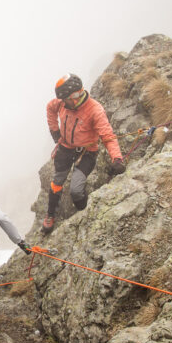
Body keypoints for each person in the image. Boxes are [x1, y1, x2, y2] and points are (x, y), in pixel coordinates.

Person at [42, 73, 126, 233]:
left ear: (74, 97)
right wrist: (55, 131)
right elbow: (50, 107)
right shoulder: (63, 102)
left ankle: (84, 213)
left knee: (76, 190)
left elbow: (108, 136)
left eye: (65, 99)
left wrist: (117, 158)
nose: (62, 102)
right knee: (57, 182)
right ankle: (50, 214)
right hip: (65, 148)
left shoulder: (95, 110)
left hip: (87, 153)